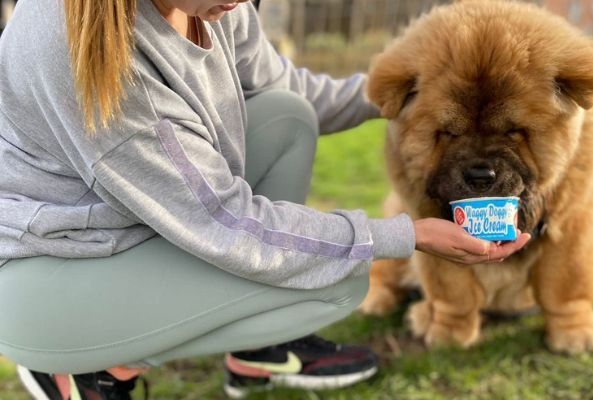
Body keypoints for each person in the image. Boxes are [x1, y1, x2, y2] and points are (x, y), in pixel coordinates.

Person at [0, 0, 531, 399]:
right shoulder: (93, 58)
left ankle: (258, 353)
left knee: (284, 113)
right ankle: (85, 361)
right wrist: (404, 236)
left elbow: (293, 91)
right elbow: (228, 223)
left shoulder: (212, 4)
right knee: (338, 279)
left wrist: (411, 90)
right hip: (50, 273)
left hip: (143, 224)